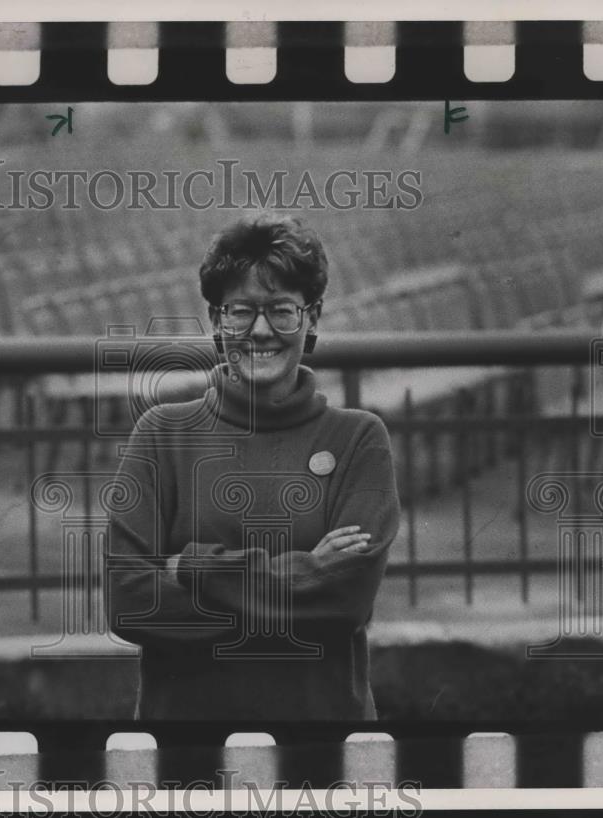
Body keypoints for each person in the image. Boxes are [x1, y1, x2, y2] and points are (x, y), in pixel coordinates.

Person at [104, 212, 400, 721]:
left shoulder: (359, 439)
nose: (260, 331)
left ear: (312, 318)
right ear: (217, 321)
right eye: (241, 311)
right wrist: (306, 575)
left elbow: (345, 602)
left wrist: (192, 567)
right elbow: (130, 602)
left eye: (282, 310)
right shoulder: (161, 433)